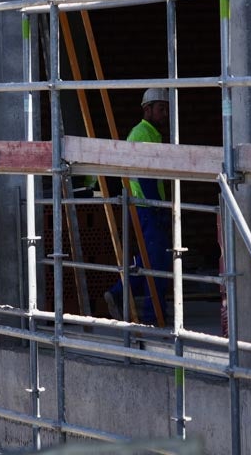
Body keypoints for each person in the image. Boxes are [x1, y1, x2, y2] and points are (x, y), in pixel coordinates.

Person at [104, 87, 172, 324]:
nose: (165, 114)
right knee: (155, 260)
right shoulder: (142, 133)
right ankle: (154, 315)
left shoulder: (150, 133)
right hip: (146, 206)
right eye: (161, 109)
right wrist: (157, 206)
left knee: (150, 259)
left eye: (166, 109)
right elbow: (145, 176)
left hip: (147, 206)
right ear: (148, 109)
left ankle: (119, 293)